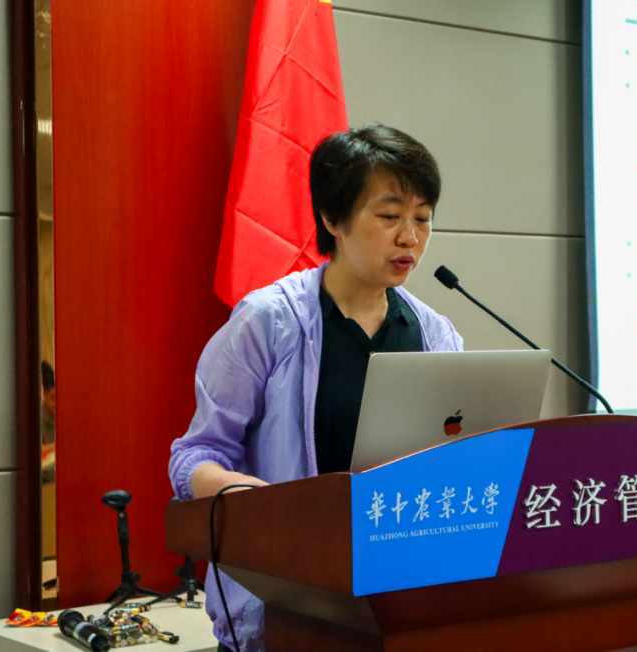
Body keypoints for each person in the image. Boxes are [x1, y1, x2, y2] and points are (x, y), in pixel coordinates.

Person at [168, 124, 463, 652]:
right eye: (390, 216)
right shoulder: (269, 321)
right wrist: (254, 500)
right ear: (333, 219)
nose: (410, 237)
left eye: (422, 218)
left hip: (399, 605)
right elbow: (195, 457)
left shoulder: (435, 334)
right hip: (288, 603)